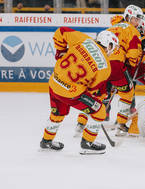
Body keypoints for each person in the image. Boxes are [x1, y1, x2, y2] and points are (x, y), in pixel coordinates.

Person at [40, 27, 119, 155]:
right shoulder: (105, 67)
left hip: (54, 82)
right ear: (108, 45)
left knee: (58, 113)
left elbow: (61, 32)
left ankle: (46, 140)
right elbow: (93, 89)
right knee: (99, 111)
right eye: (113, 47)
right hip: (70, 93)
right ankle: (87, 143)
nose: (113, 51)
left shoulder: (84, 39)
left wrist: (60, 52)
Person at [75, 4, 144, 137]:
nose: (138, 22)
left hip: (100, 64)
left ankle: (81, 123)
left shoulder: (112, 27)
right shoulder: (133, 31)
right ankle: (121, 124)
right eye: (136, 19)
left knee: (96, 94)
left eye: (139, 19)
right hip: (116, 65)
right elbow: (133, 54)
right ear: (128, 17)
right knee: (127, 93)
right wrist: (131, 66)